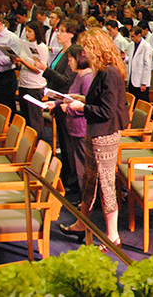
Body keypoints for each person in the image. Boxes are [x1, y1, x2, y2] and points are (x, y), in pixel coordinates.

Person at [58, 28, 129, 249]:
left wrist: (81, 106)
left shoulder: (109, 73)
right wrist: (77, 100)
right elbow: (96, 100)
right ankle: (83, 222)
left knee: (106, 184)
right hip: (96, 131)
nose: (85, 52)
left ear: (97, 48)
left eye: (88, 47)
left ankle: (113, 236)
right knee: (90, 180)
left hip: (104, 134)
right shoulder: (103, 71)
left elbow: (106, 110)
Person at [39, 19, 81, 199]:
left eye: (62, 31)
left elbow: (66, 80)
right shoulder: (61, 52)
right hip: (57, 99)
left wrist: (45, 69)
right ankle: (66, 174)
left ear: (71, 34)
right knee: (63, 142)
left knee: (69, 141)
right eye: (58, 30)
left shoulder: (73, 52)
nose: (58, 34)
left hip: (65, 100)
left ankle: (73, 178)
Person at [46, 44, 92, 204]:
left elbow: (88, 105)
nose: (69, 62)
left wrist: (68, 107)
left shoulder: (87, 78)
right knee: (77, 163)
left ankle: (85, 201)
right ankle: (82, 197)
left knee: (82, 165)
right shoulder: (79, 76)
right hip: (74, 125)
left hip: (81, 127)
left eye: (71, 59)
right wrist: (58, 103)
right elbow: (73, 96)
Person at [14, 21, 49, 141]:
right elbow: (24, 63)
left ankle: (38, 144)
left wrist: (23, 61)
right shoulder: (25, 45)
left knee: (34, 119)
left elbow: (39, 69)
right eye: (26, 31)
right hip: (24, 83)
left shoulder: (41, 47)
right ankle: (27, 144)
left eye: (30, 31)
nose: (27, 34)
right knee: (26, 117)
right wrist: (17, 61)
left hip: (34, 85)